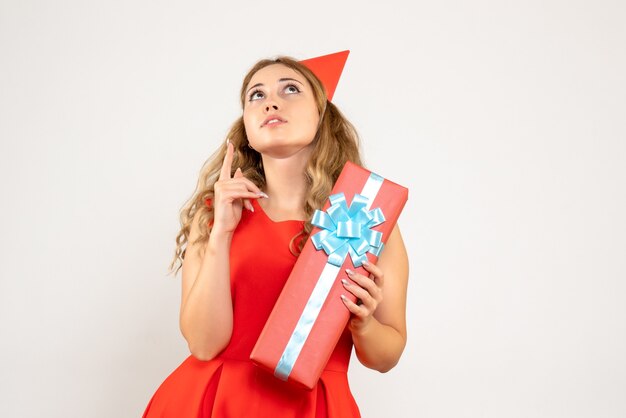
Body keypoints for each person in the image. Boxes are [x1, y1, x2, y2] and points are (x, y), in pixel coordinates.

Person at [142, 52, 409, 418]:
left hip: (313, 406)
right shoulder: (214, 215)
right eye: (256, 95)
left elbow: (386, 357)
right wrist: (221, 234)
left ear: (322, 114)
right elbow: (204, 346)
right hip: (211, 401)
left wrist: (363, 323)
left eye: (290, 89)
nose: (270, 101)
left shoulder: (369, 221)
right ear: (247, 129)